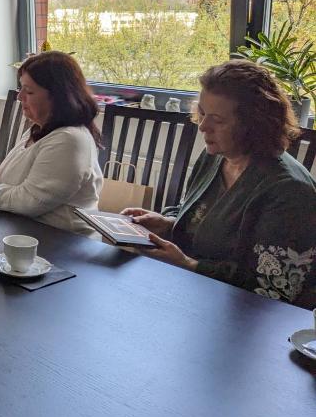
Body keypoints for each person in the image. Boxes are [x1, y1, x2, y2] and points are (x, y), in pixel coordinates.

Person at [122, 60, 316, 308]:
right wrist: (168, 223)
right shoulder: (215, 158)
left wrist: (188, 265)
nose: (203, 126)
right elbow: (200, 214)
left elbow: (272, 288)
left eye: (218, 120)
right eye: (202, 113)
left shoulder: (289, 191)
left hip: (250, 316)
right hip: (195, 295)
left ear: (253, 125)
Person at [0, 51, 103, 238]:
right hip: (26, 233)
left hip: (65, 242)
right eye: (21, 88)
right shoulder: (39, 129)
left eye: (29, 91)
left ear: (58, 96)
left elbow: (27, 201)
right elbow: (11, 186)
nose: (19, 97)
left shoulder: (70, 140)